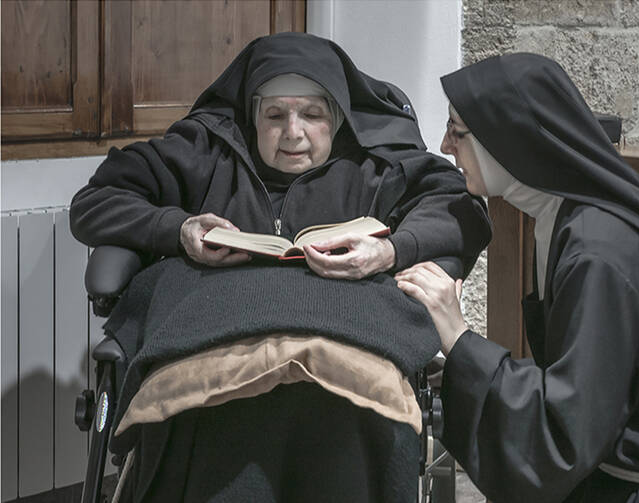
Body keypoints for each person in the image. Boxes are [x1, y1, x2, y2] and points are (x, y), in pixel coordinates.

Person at [70, 32, 491, 502]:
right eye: (275, 116)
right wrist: (177, 229)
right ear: (252, 116)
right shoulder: (206, 153)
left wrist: (392, 250)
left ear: (337, 116)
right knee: (191, 410)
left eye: (311, 114)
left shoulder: (378, 165)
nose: (293, 132)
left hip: (348, 350)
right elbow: (94, 202)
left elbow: (462, 208)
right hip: (208, 346)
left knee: (357, 411)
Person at [396, 53, 639, 502]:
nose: (446, 146)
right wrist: (458, 369)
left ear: (510, 140)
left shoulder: (599, 254)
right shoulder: (558, 219)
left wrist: (457, 335)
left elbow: (567, 432)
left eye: (457, 131)